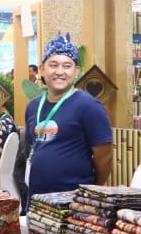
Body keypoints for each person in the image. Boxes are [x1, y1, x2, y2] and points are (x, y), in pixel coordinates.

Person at [22, 34, 113, 199]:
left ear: (76, 71)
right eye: (53, 65)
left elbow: (104, 156)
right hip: (37, 200)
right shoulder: (33, 106)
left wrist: (92, 189)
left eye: (67, 66)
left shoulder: (89, 106)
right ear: (42, 69)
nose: (60, 72)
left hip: (73, 202)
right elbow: (33, 147)